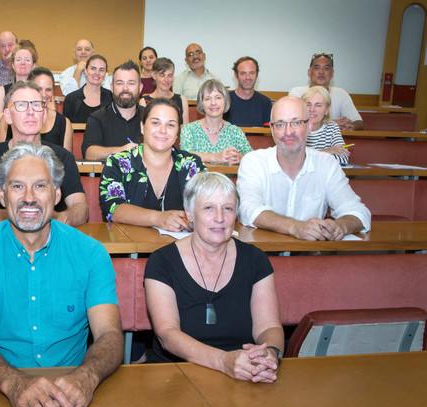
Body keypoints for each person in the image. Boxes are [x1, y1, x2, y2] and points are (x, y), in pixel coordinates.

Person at [0, 142, 123, 407]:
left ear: (57, 195)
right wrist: (14, 384)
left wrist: (86, 378)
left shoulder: (91, 253)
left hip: (72, 395)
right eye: (17, 187)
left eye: (40, 186)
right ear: (2, 195)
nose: (29, 198)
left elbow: (109, 334)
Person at [144, 171, 284, 383]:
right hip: (175, 377)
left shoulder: (255, 259)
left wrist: (269, 354)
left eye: (227, 209)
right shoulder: (161, 261)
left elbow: (268, 326)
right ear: (189, 214)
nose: (220, 218)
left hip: (244, 374)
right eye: (209, 208)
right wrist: (223, 361)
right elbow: (167, 334)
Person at [237, 96, 371, 240]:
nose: (288, 132)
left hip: (310, 254)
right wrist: (295, 227)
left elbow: (358, 212)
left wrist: (340, 226)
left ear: (309, 125)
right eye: (280, 124)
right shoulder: (253, 162)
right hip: (264, 253)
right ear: (271, 128)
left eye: (296, 122)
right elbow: (247, 210)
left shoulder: (327, 164)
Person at [0, 81, 88, 227]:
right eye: (22, 105)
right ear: (8, 116)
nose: (30, 112)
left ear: (44, 116)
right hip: (3, 238)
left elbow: (81, 209)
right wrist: (20, 217)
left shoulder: (63, 157)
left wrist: (50, 219)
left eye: (36, 105)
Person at [99, 98, 205, 230]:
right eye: (155, 123)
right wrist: (158, 218)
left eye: (170, 125)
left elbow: (208, 205)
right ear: (142, 127)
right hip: (132, 246)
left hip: (182, 246)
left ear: (178, 132)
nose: (162, 130)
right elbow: (113, 209)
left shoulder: (192, 164)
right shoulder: (118, 162)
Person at [0, 67, 73, 152]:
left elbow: (65, 159)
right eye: (39, 89)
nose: (44, 94)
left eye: (48, 89)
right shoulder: (8, 118)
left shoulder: (64, 123)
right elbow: (0, 153)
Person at [82, 60, 144, 161]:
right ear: (112, 87)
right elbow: (89, 153)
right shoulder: (97, 118)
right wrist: (122, 151)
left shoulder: (150, 117)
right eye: (120, 83)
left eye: (131, 83)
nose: (125, 88)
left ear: (140, 88)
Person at [180, 79, 252, 165]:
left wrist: (241, 158)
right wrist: (215, 157)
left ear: (225, 101)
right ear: (201, 104)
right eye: (207, 99)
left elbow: (252, 158)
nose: (213, 103)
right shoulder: (189, 130)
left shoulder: (235, 132)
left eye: (218, 98)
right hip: (198, 178)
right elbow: (185, 156)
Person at [288, 53, 363, 130]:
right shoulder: (297, 93)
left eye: (326, 68)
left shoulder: (341, 94)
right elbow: (293, 122)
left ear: (332, 74)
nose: (321, 71)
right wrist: (332, 125)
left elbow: (359, 123)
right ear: (309, 72)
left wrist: (348, 126)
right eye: (317, 68)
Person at [0, 40, 38, 122]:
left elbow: (49, 115)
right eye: (18, 60)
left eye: (27, 60)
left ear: (33, 66)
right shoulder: (1, 91)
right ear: (13, 65)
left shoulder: (41, 90)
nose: (23, 63)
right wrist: (19, 117)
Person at [302, 86, 349, 164]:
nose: (312, 109)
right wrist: (327, 151)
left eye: (318, 105)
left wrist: (309, 157)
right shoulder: (294, 128)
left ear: (327, 110)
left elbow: (343, 158)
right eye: (308, 104)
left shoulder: (332, 127)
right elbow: (292, 159)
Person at [139, 57, 190, 125]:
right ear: (154, 75)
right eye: (162, 75)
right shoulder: (144, 102)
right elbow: (144, 129)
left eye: (170, 75)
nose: (166, 79)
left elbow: (185, 130)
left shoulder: (182, 100)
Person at [62, 54, 112, 123]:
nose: (97, 73)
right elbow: (65, 128)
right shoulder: (71, 98)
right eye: (93, 68)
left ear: (105, 74)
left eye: (101, 70)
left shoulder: (112, 98)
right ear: (85, 71)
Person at [224, 56, 272, 128]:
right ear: (236, 75)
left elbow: (267, 134)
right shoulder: (224, 101)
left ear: (257, 75)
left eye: (252, 73)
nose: (248, 77)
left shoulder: (265, 103)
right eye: (243, 73)